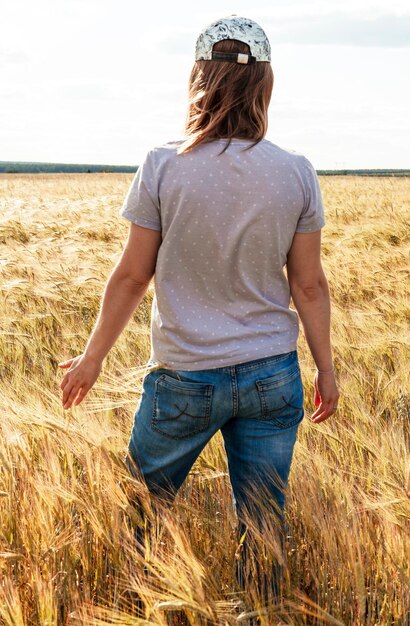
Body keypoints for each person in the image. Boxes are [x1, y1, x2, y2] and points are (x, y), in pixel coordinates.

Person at [58, 13, 340, 616]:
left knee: (141, 509)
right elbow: (309, 286)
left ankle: (132, 606)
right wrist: (327, 369)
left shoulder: (164, 165)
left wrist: (91, 359)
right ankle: (261, 613)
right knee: (264, 524)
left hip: (182, 379)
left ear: (198, 77)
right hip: (271, 375)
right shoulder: (296, 171)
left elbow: (134, 275)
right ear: (265, 84)